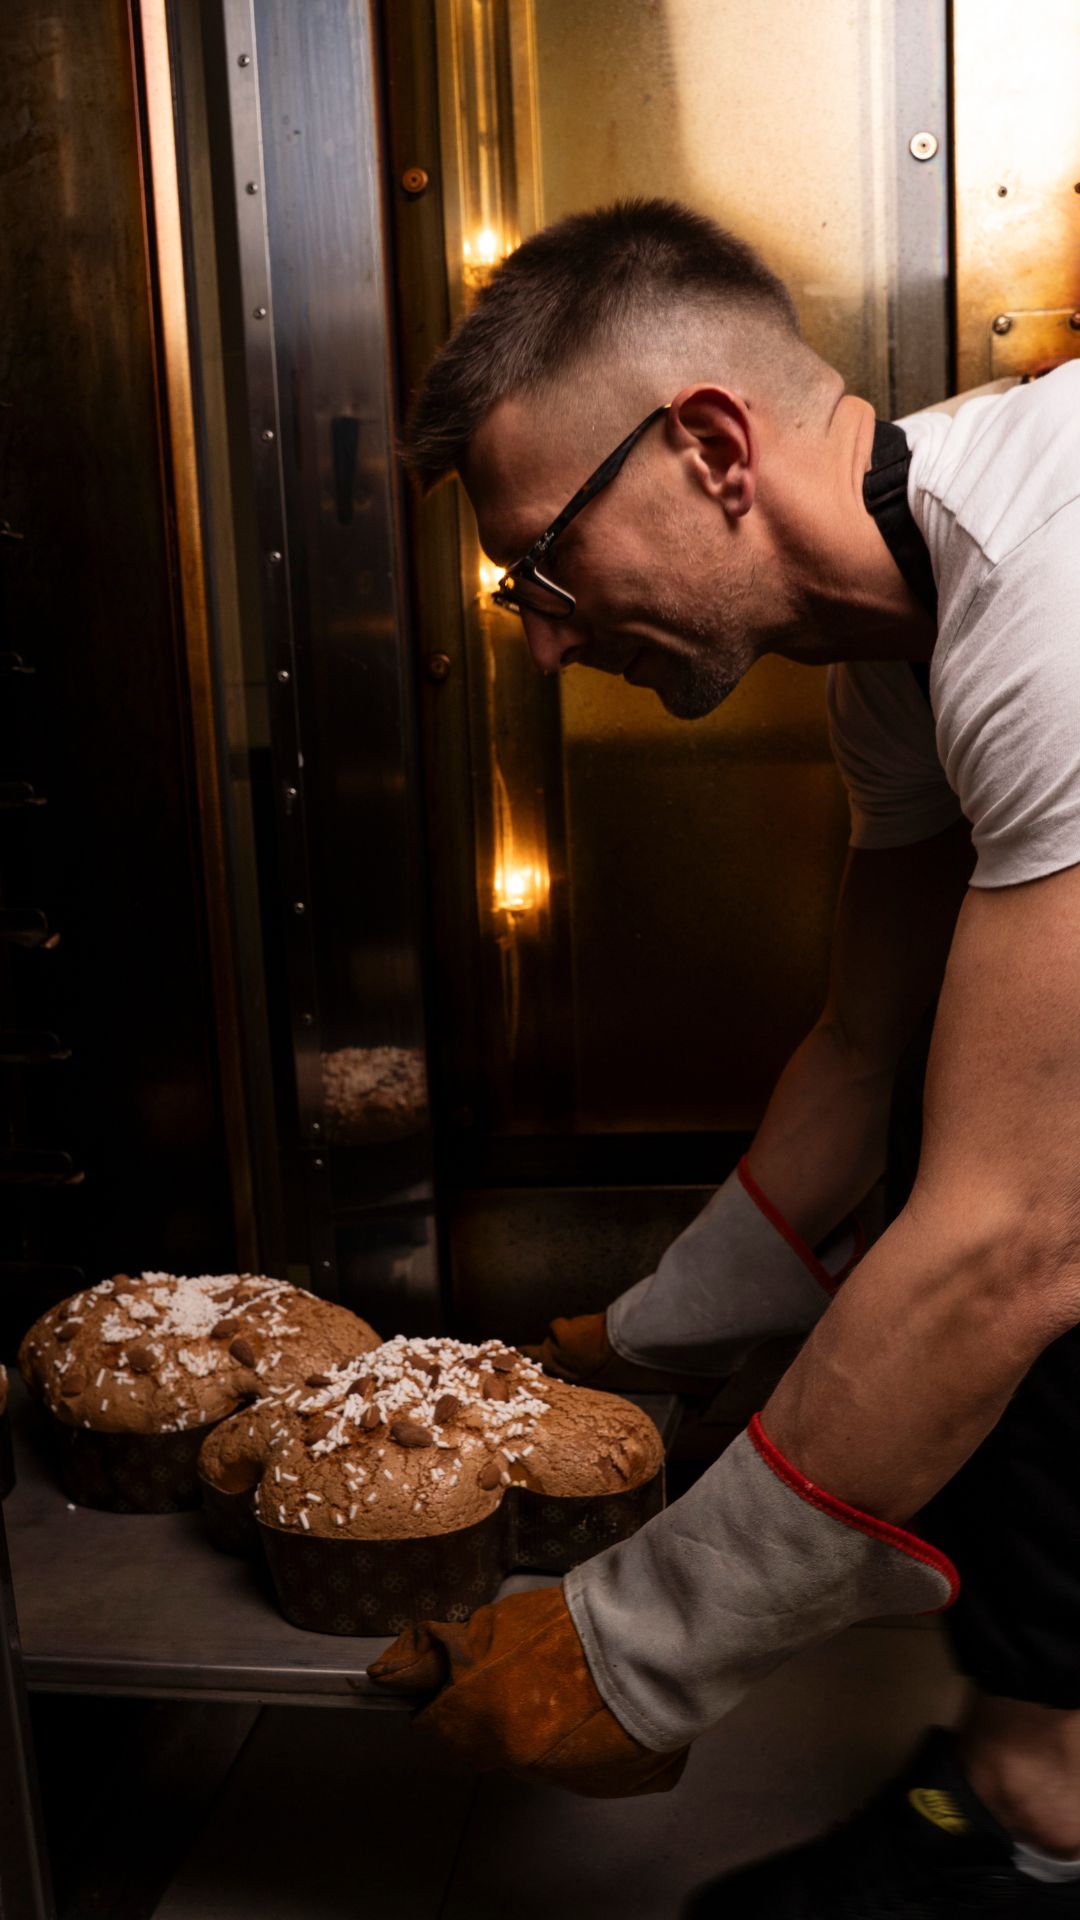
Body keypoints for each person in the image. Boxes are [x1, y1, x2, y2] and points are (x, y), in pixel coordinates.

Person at [367, 199, 1080, 1917]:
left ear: (706, 446)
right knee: (947, 1137)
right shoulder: (891, 677)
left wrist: (634, 1654)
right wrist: (633, 1349)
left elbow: (1012, 1247)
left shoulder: (1050, 591)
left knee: (1005, 1231)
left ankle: (1040, 1811)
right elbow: (858, 1052)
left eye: (544, 566)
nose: (540, 638)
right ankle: (1041, 1783)